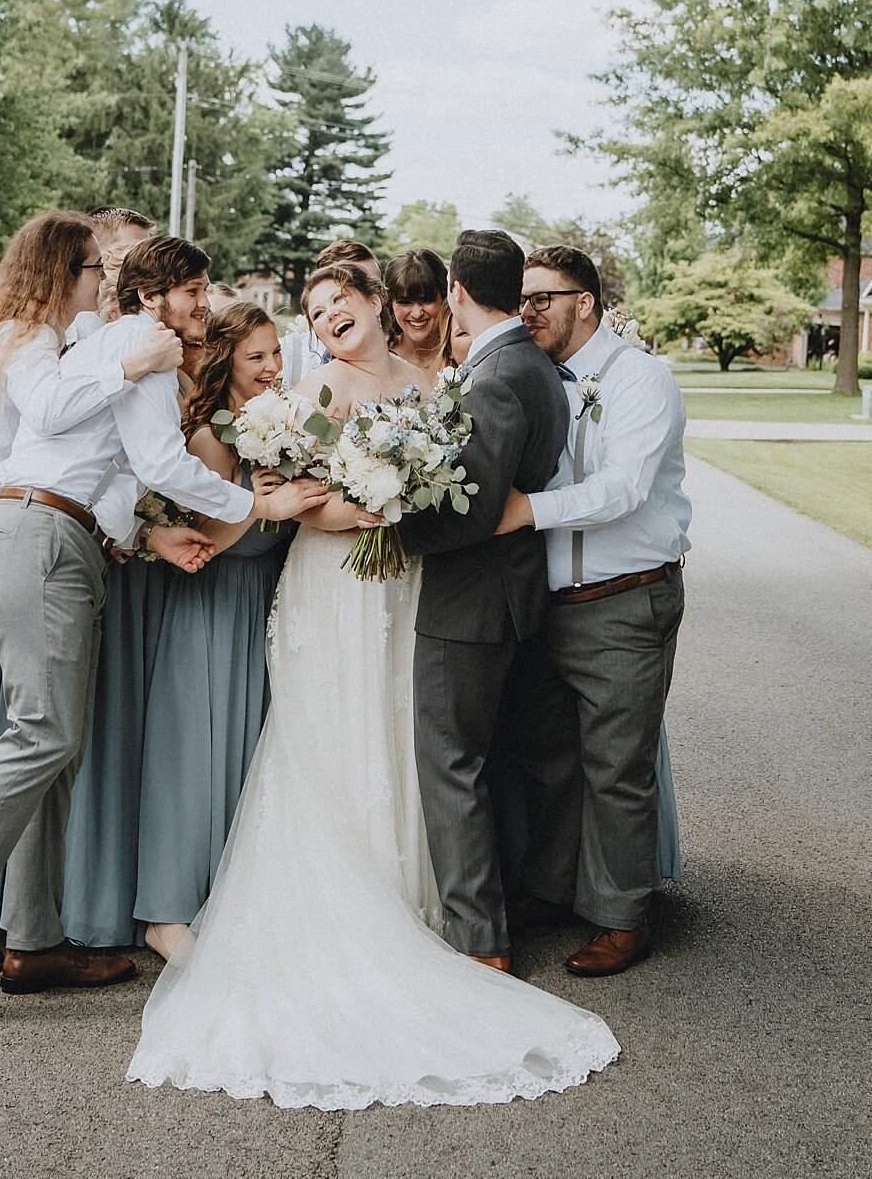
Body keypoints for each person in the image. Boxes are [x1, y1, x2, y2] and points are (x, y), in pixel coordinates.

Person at [127, 258, 617, 1108]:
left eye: (337, 304)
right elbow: (289, 498)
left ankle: (414, 900)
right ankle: (346, 903)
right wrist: (374, 506)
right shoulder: (313, 390)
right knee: (333, 728)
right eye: (314, 312)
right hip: (332, 585)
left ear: (373, 304)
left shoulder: (435, 383)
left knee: (406, 727)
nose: (325, 321)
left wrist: (406, 500)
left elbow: (444, 488)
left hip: (406, 587)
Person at [0, 236, 325, 1037]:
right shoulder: (137, 344)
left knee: (59, 746)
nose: (209, 304)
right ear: (158, 296)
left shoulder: (120, 342)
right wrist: (253, 506)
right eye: (197, 290)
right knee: (44, 735)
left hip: (60, 538)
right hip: (40, 539)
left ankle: (35, 942)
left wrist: (147, 537)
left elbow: (124, 467)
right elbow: (161, 463)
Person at [0, 210, 182, 983]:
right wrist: (134, 360)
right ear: (67, 273)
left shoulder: (52, 338)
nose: (110, 280)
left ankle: (31, 934)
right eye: (101, 266)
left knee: (42, 732)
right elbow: (63, 423)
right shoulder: (28, 341)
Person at [496, 244, 691, 976]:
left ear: (586, 302)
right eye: (522, 298)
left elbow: (623, 490)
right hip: (545, 604)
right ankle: (554, 890)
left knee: (616, 764)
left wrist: (524, 512)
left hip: (624, 601)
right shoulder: (531, 378)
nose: (527, 311)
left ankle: (621, 917)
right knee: (549, 758)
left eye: (542, 298)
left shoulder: (642, 379)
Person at [396, 231, 569, 972]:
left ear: (459, 292)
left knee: (451, 763)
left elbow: (471, 509)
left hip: (474, 601)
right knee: (491, 762)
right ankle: (505, 909)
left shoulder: (497, 374)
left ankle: (480, 942)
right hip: (514, 594)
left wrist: (395, 526)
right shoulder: (532, 364)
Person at [135, 303, 294, 959]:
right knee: (192, 758)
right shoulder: (212, 438)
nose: (272, 367)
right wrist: (267, 504)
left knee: (241, 760)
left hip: (258, 605)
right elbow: (206, 538)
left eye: (276, 353)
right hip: (210, 605)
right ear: (227, 361)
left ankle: (221, 899)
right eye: (257, 356)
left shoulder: (278, 425)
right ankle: (167, 912)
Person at [279, 239, 383, 387]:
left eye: (375, 285)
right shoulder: (288, 353)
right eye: (341, 294)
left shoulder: (399, 355)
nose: (370, 291)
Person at [384, 249, 450, 381]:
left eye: (426, 300)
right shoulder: (381, 357)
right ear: (390, 303)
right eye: (405, 302)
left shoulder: (459, 353)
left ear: (444, 298)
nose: (417, 314)